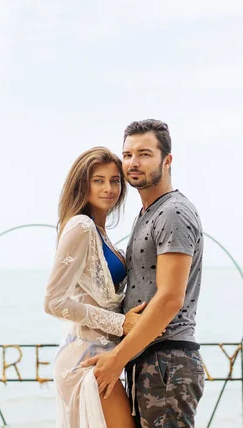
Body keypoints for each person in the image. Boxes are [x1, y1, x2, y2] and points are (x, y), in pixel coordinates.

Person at [82, 119, 205, 428]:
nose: (133, 163)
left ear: (167, 160)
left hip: (168, 361)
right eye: (127, 154)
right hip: (147, 360)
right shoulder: (147, 214)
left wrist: (116, 359)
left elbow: (169, 300)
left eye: (145, 154)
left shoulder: (173, 213)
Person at [44, 146, 148, 428]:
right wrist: (121, 323)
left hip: (105, 355)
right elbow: (53, 301)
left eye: (115, 180)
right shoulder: (81, 227)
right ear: (83, 185)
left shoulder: (102, 234)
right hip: (85, 358)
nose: (109, 188)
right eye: (98, 180)